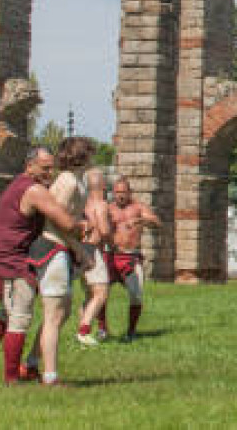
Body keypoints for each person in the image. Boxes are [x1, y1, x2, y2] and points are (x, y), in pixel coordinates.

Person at [0, 146, 86, 384]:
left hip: (6, 257)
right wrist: (85, 227)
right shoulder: (33, 190)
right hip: (11, 260)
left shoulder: (22, 185)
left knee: (6, 315)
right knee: (19, 318)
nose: (49, 173)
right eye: (44, 168)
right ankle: (12, 379)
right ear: (28, 165)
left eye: (52, 168)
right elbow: (64, 222)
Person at [23, 136, 95, 382]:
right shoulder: (67, 181)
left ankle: (32, 362)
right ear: (82, 156)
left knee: (61, 314)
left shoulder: (76, 179)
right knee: (54, 315)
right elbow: (56, 218)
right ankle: (50, 376)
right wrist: (80, 250)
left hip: (62, 249)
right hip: (52, 249)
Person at [105, 176, 161, 342]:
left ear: (130, 192)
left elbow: (157, 223)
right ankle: (102, 329)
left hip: (131, 256)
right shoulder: (108, 209)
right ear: (113, 193)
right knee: (101, 294)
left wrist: (140, 220)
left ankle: (131, 331)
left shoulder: (138, 207)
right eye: (117, 192)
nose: (120, 195)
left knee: (136, 295)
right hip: (111, 254)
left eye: (123, 192)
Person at [75, 168, 112, 345]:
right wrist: (113, 240)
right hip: (92, 251)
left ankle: (81, 332)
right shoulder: (101, 204)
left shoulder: (81, 203)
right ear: (103, 185)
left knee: (89, 294)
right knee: (101, 293)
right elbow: (104, 230)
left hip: (78, 249)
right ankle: (84, 331)